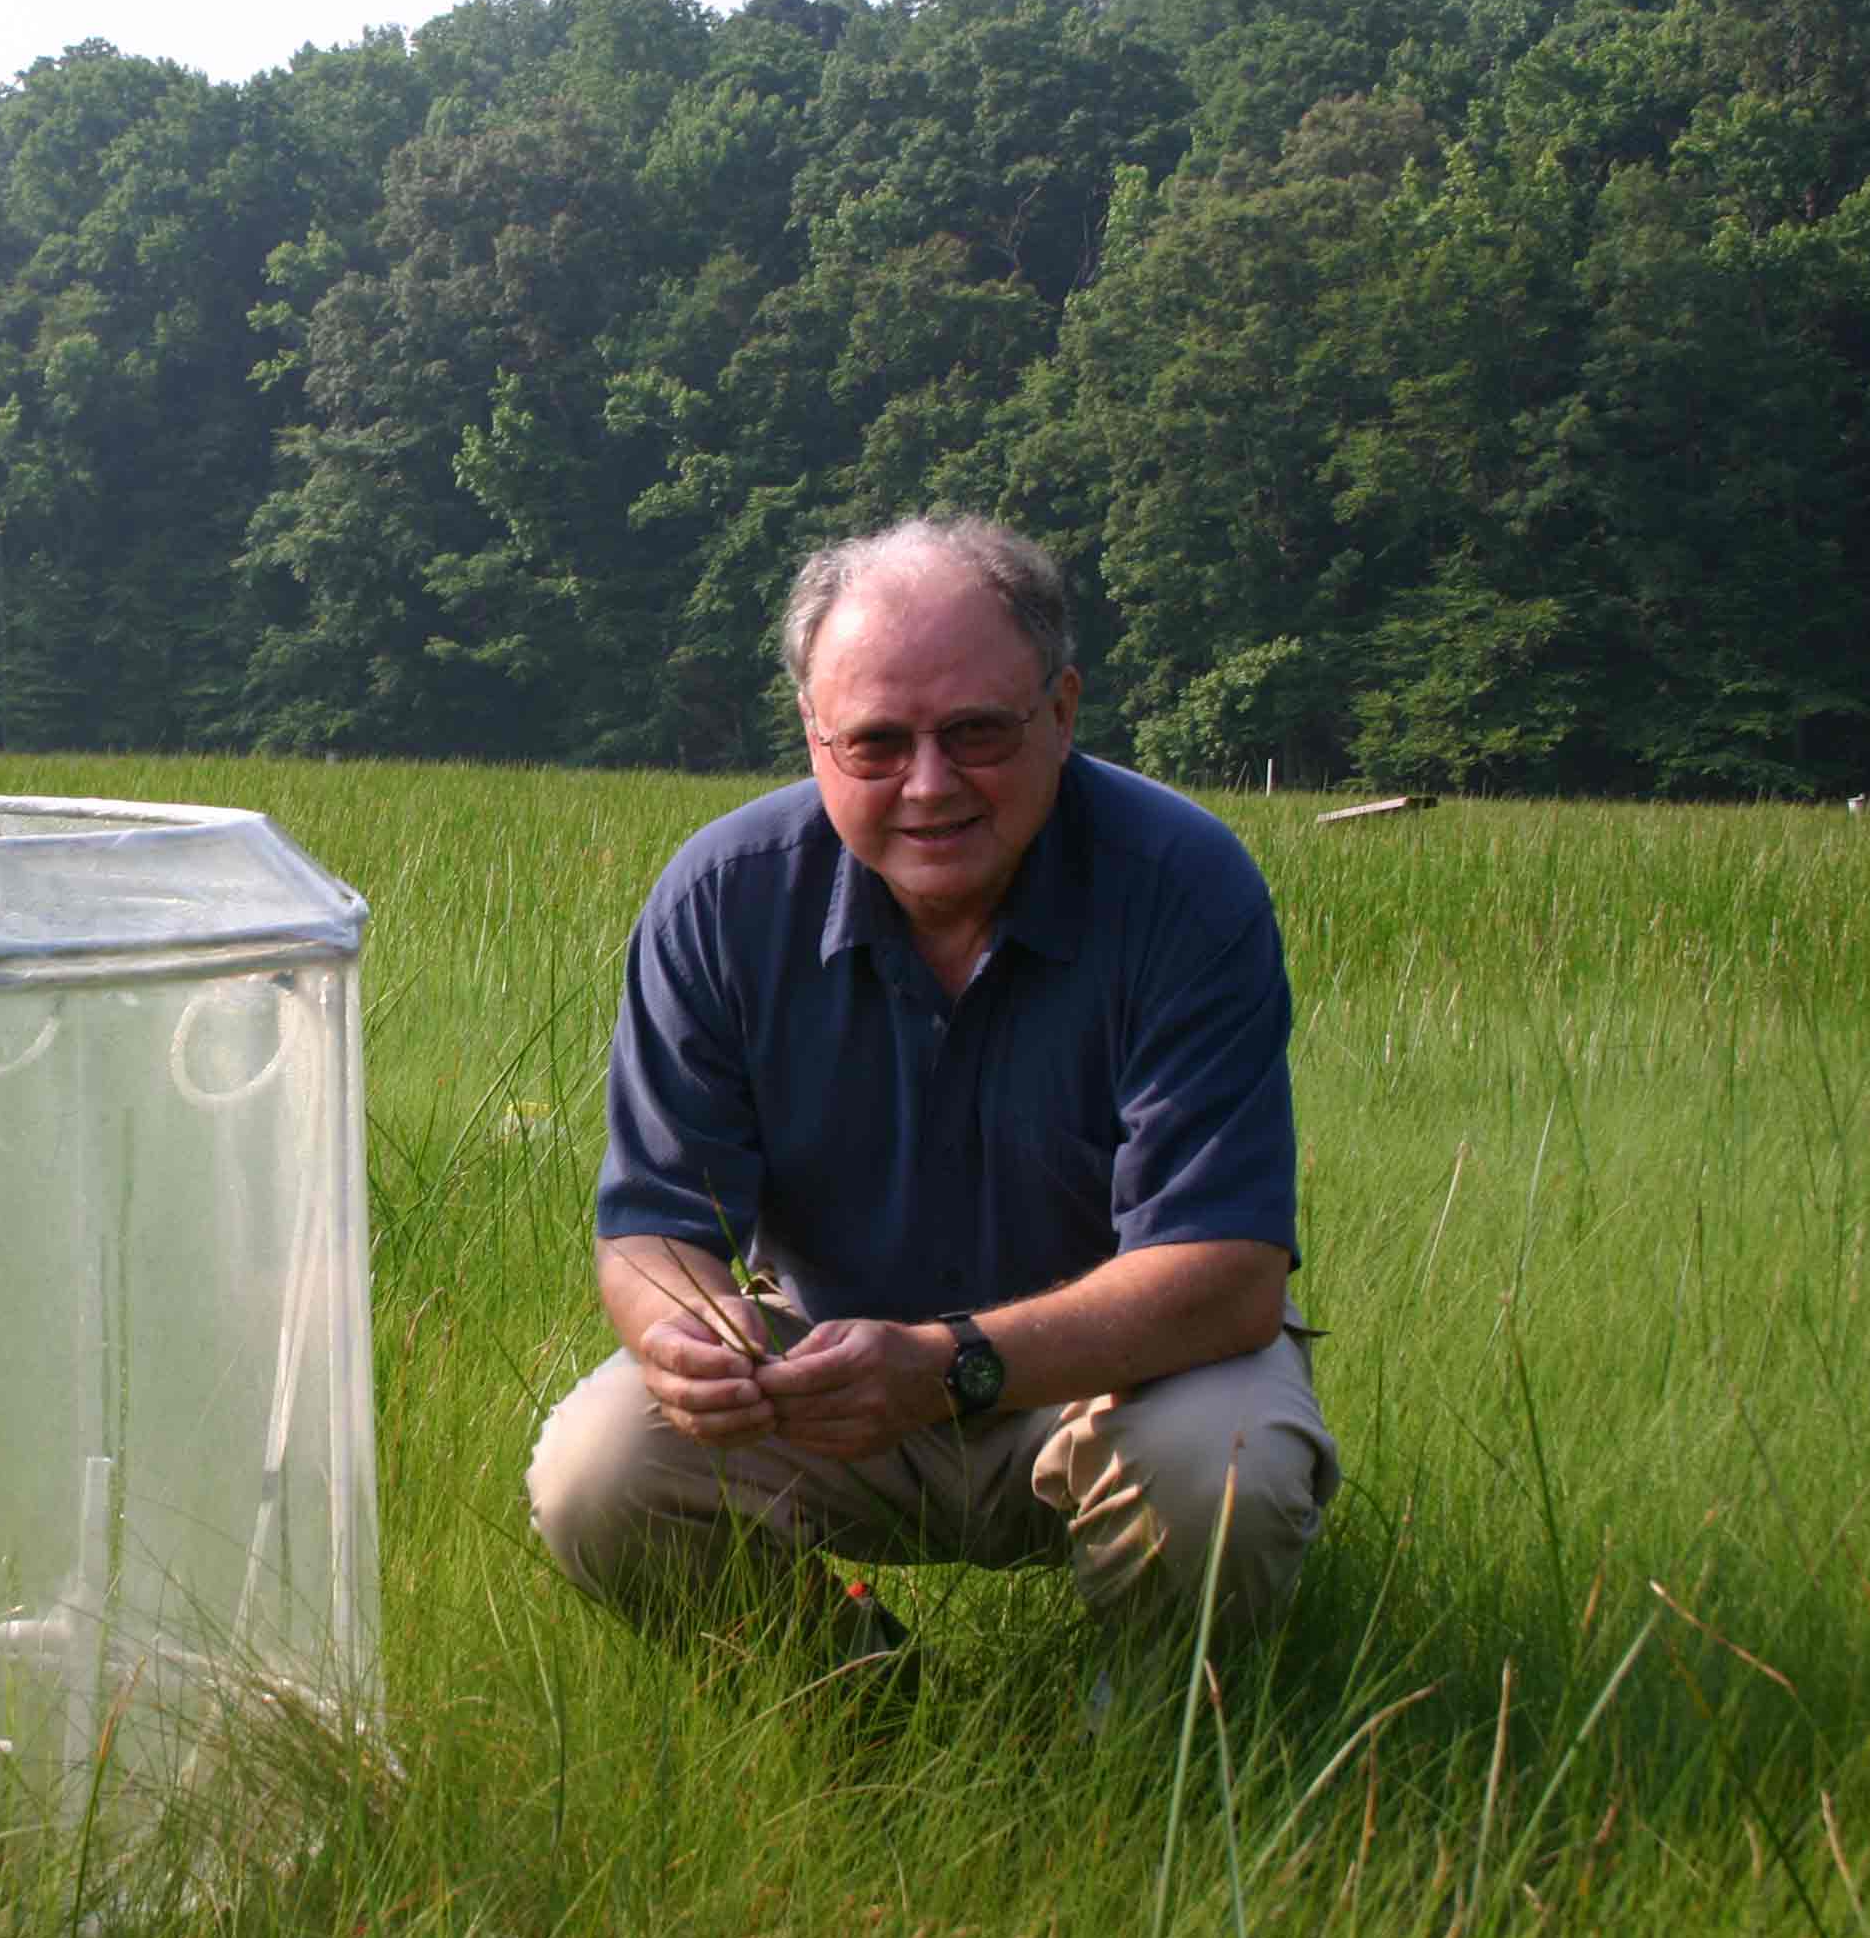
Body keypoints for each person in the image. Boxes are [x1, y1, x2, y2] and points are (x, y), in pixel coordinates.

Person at [525, 515, 1338, 1672]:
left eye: (975, 733)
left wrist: (943, 1362)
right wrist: (688, 1331)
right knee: (597, 1468)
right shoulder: (721, 899)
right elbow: (655, 1225)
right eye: (875, 742)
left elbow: (1226, 1279)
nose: (928, 784)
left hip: (1121, 1382)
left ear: (1060, 711)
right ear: (814, 740)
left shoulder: (1183, 887)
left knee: (1224, 1462)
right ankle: (862, 1709)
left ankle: (1147, 1757)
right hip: (832, 1381)